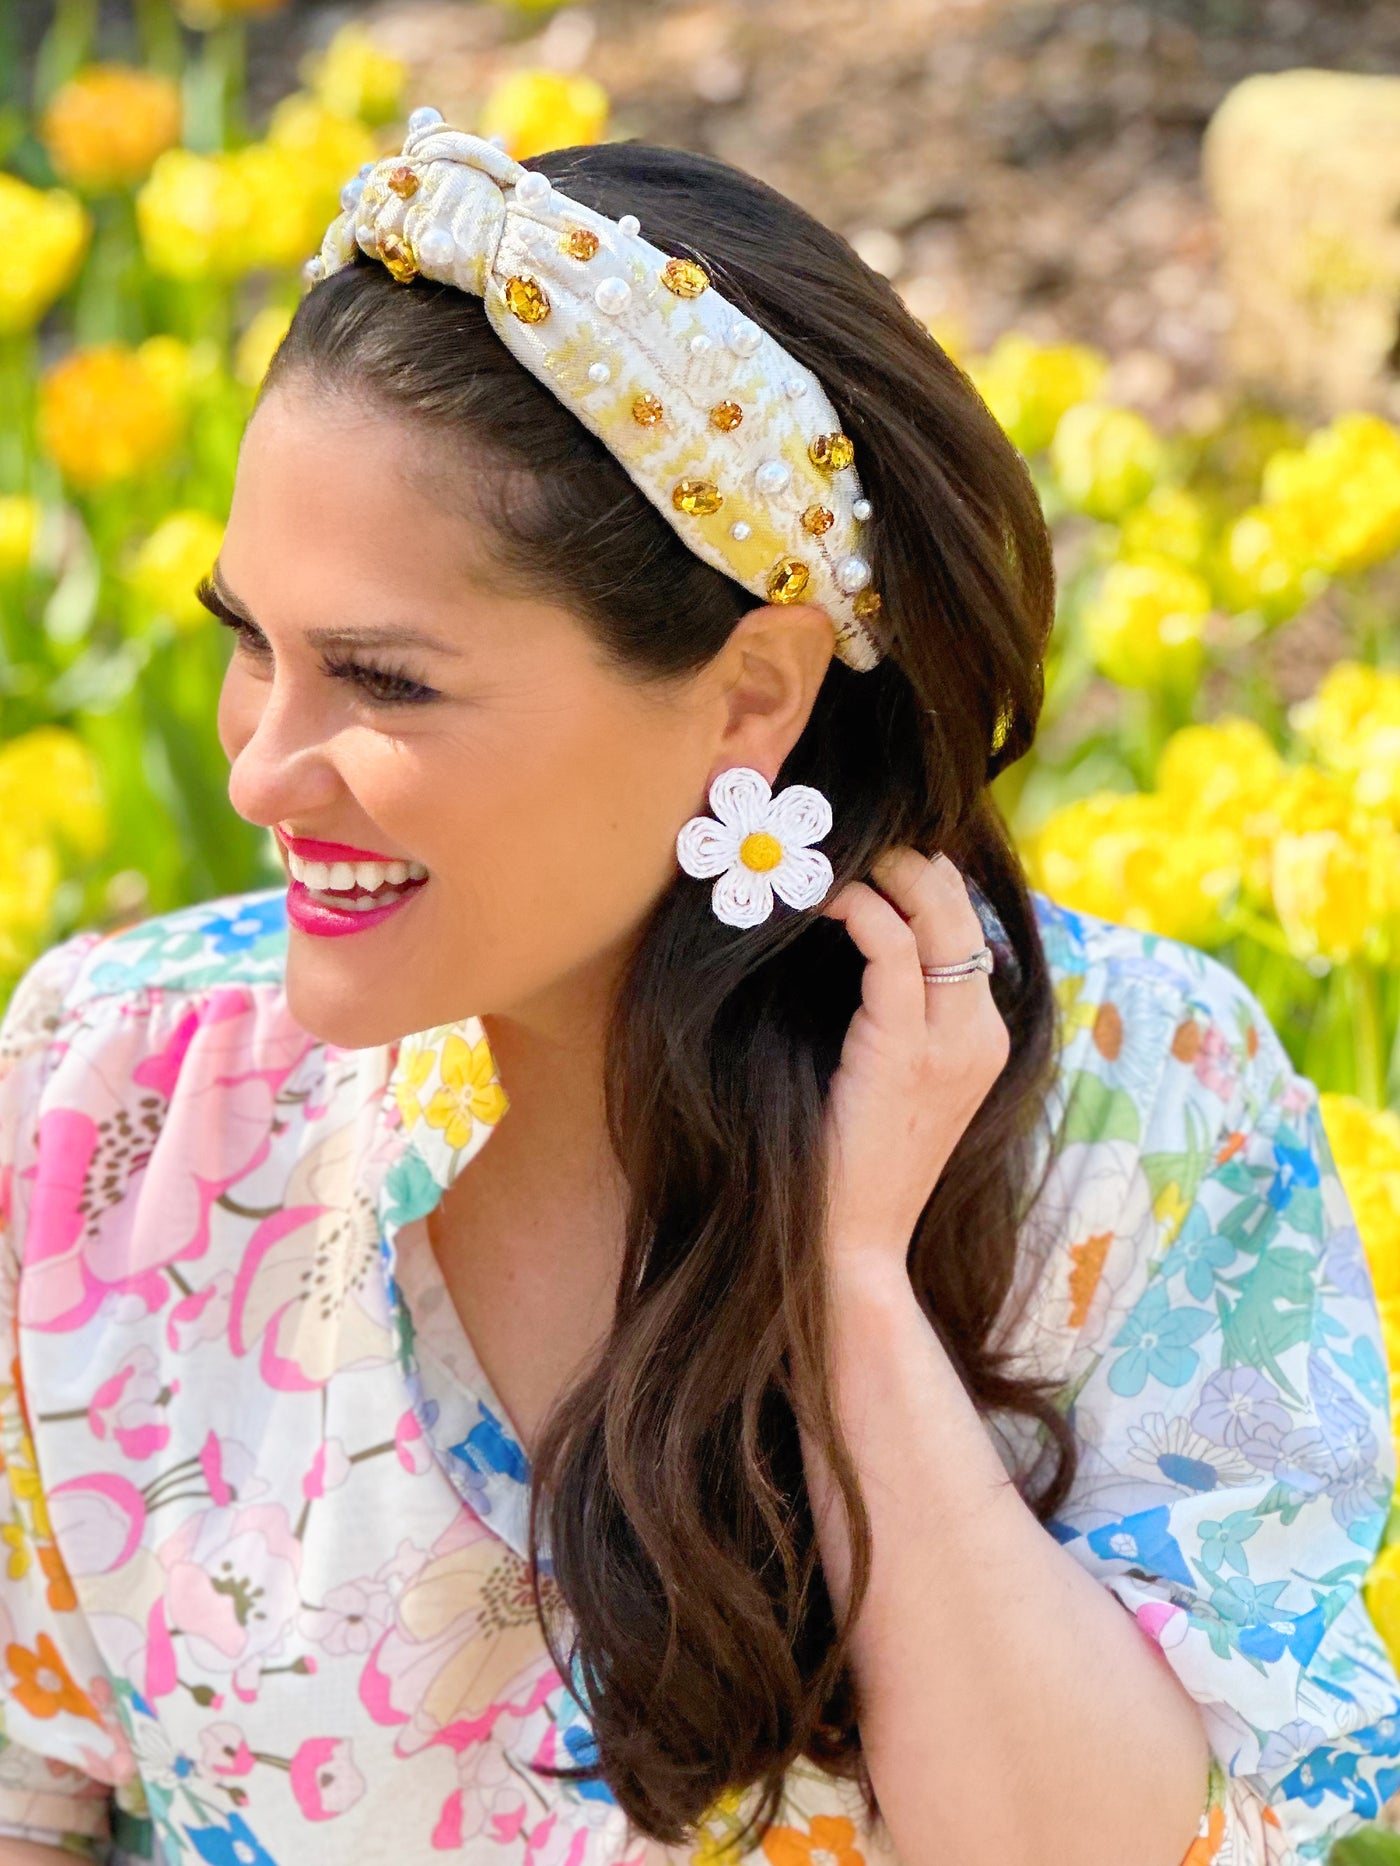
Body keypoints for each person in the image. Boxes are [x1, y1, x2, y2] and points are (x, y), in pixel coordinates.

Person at [0, 111, 1397, 1866]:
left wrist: (854, 1296)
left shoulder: (1143, 1122)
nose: (263, 770)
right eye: (248, 644)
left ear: (752, 694)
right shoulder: (114, 1095)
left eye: (382, 680)